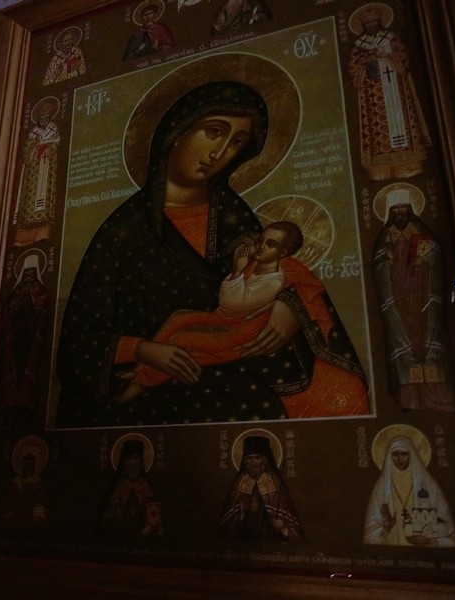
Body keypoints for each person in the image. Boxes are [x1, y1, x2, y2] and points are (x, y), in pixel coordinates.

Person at [55, 80, 367, 427]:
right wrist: (144, 350)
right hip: (169, 383)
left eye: (237, 142)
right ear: (177, 132)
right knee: (250, 408)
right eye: (214, 132)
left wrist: (291, 308)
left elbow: (278, 270)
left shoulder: (233, 215)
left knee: (338, 396)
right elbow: (77, 344)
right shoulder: (122, 231)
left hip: (242, 359)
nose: (221, 153)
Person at [115, 221, 302, 403]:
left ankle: (140, 383)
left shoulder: (274, 282)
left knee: (181, 339)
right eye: (261, 240)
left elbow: (231, 303)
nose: (261, 246)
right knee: (178, 317)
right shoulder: (257, 262)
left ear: (283, 253)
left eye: (270, 244)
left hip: (236, 333)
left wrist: (237, 271)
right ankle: (139, 369)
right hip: (222, 319)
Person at [372, 187, 455, 412]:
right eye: (396, 209)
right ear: (390, 212)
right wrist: (389, 262)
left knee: (429, 337)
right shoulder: (386, 237)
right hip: (398, 297)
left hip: (423, 295)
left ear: (410, 209)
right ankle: (409, 399)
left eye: (404, 208)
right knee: (403, 341)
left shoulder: (420, 231)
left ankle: (438, 396)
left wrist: (426, 260)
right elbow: (378, 265)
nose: (400, 213)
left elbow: (435, 256)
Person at [346, 3, 430, 180]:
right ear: (363, 25)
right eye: (367, 24)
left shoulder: (391, 39)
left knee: (402, 122)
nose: (371, 26)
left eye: (374, 22)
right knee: (377, 132)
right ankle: (381, 169)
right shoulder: (359, 46)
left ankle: (408, 166)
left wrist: (388, 55)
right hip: (373, 98)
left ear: (380, 22)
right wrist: (367, 60)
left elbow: (404, 59)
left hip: (396, 90)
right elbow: (353, 69)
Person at [364, 430, 455, 547]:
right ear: (389, 456)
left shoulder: (429, 487)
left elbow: (449, 534)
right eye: (395, 454)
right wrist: (386, 529)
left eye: (404, 454)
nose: (399, 459)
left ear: (411, 455)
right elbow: (370, 534)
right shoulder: (381, 489)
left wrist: (430, 539)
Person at [0, 251, 50, 430]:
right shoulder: (17, 290)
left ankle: (25, 408)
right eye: (27, 272)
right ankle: (9, 407)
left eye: (32, 271)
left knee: (28, 367)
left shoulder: (39, 289)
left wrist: (34, 304)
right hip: (17, 336)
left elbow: (42, 308)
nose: (29, 274)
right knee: (13, 367)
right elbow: (9, 310)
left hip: (31, 335)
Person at [218, 435, 304, 541]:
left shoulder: (274, 482)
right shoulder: (240, 481)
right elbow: (228, 523)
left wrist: (283, 528)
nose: (254, 463)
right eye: (250, 458)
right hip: (245, 536)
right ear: (245, 461)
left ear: (264, 460)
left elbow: (293, 528)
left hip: (269, 535)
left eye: (257, 458)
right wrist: (241, 514)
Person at [14, 97, 61, 246]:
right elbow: (27, 149)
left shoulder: (53, 128)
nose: (44, 109)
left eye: (47, 107)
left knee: (43, 201)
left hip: (45, 168)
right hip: (32, 173)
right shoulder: (34, 131)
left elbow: (55, 144)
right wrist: (35, 145)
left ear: (51, 110)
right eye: (42, 107)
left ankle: (42, 234)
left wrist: (48, 148)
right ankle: (24, 236)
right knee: (28, 199)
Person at [99, 438, 163, 535]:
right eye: (130, 459)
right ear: (125, 462)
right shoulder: (118, 486)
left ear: (140, 463)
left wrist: (153, 527)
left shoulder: (146, 486)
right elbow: (106, 521)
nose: (134, 463)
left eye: (136, 459)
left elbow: (154, 515)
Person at [0, 435, 50, 534]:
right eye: (26, 459)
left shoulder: (39, 483)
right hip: (17, 519)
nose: (28, 462)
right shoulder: (16, 483)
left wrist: (38, 516)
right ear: (21, 461)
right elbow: (8, 504)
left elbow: (42, 504)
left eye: (31, 459)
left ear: (36, 460)